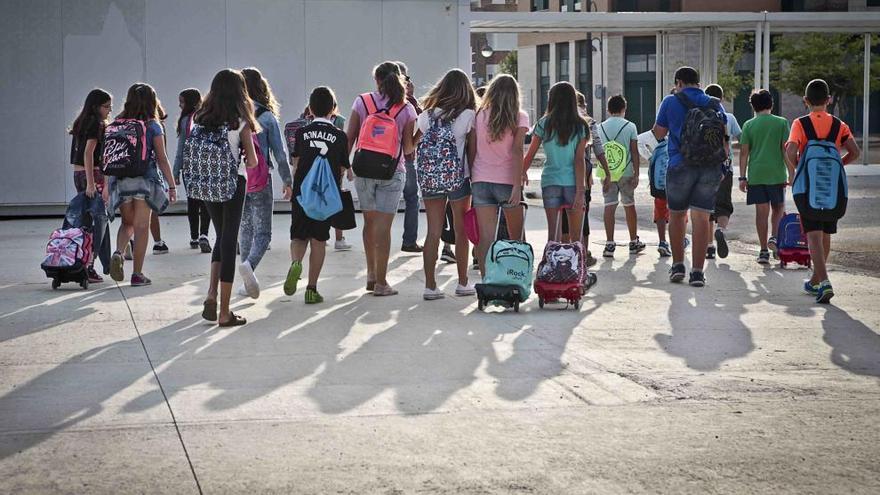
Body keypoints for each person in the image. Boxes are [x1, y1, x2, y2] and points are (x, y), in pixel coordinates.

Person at [784, 78, 860, 304]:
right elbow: (854, 152)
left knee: (813, 235)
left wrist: (799, 167)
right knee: (825, 234)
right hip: (832, 189)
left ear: (805, 101)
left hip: (808, 189)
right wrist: (839, 165)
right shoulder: (839, 125)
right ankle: (816, 280)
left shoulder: (800, 123)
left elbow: (790, 151)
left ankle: (824, 281)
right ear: (828, 100)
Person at [193, 69, 259, 326]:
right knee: (230, 241)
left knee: (220, 236)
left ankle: (211, 294)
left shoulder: (199, 119)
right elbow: (252, 161)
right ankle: (224, 311)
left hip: (207, 184)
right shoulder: (239, 120)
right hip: (233, 183)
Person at [652, 66, 728, 287]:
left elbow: (659, 133)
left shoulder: (670, 101)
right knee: (702, 218)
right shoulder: (714, 103)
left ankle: (677, 266)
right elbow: (723, 135)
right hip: (710, 166)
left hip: (679, 165)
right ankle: (697, 272)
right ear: (698, 82)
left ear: (679, 82)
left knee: (676, 216)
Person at [347, 61, 417, 296]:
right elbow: (408, 150)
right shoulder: (405, 108)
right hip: (391, 171)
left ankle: (370, 274)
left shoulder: (362, 101)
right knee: (384, 228)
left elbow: (350, 137)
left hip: (364, 170)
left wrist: (345, 167)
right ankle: (381, 282)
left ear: (376, 80)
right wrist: (418, 137)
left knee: (369, 223)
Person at [415, 68, 477, 300]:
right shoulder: (469, 115)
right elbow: (472, 152)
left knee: (432, 232)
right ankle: (462, 283)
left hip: (431, 178)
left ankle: (430, 286)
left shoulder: (425, 115)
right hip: (458, 179)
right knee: (461, 231)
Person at [284, 86, 350, 303]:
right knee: (319, 241)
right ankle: (311, 289)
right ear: (333, 109)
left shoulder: (302, 133)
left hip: (303, 192)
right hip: (324, 196)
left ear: (310, 109)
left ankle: (296, 263)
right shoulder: (340, 136)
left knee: (298, 235)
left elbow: (296, 163)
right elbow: (342, 168)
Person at [107, 83, 177, 286]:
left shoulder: (117, 123)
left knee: (126, 223)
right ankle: (137, 274)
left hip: (120, 182)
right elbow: (162, 159)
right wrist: (171, 186)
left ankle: (119, 252)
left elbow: (108, 157)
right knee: (141, 227)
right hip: (145, 182)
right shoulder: (153, 125)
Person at [236, 67, 294, 299]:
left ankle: (244, 280)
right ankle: (249, 266)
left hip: (239, 179)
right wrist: (288, 181)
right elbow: (279, 154)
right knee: (263, 233)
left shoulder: (233, 115)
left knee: (245, 228)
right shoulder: (267, 117)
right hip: (260, 178)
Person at [469, 74, 529, 276]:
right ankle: (516, 277)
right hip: (506, 181)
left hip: (480, 180)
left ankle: (488, 279)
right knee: (516, 236)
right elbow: (517, 150)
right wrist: (517, 184)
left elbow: (472, 147)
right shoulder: (520, 117)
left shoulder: (479, 115)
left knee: (485, 237)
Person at [523, 81, 590, 247]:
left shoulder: (544, 123)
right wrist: (581, 190)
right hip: (573, 183)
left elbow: (530, 154)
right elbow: (579, 160)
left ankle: (552, 269)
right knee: (576, 237)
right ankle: (577, 270)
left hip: (550, 181)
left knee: (553, 234)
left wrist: (521, 173)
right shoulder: (581, 126)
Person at [560, 91, 611, 267]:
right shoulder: (588, 122)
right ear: (582, 104)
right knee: (582, 214)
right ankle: (582, 256)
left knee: (564, 217)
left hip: (559, 173)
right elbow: (597, 148)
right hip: (582, 172)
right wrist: (607, 171)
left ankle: (564, 254)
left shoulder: (559, 120)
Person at [738, 89, 790, 264]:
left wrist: (742, 177)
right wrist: (792, 173)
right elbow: (785, 150)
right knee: (779, 208)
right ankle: (774, 238)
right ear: (772, 104)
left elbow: (744, 153)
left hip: (756, 174)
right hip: (776, 173)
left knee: (761, 213)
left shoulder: (748, 125)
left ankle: (762, 251)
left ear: (753, 106)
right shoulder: (782, 123)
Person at [69, 88, 113, 283]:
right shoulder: (96, 124)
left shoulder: (81, 122)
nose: (109, 110)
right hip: (91, 174)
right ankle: (89, 265)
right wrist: (91, 183)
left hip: (78, 174)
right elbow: (89, 153)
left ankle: (85, 263)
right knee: (97, 222)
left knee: (87, 220)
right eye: (106, 106)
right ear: (96, 107)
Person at [599, 95, 644, 257]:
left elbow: (598, 152)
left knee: (609, 206)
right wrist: (637, 173)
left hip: (607, 173)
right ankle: (633, 242)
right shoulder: (630, 126)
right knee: (629, 205)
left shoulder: (600, 127)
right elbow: (634, 151)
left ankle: (610, 243)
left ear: (608, 109)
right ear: (624, 109)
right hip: (626, 171)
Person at [704, 84, 741, 260]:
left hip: (705, 168)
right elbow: (741, 139)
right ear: (722, 98)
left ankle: (709, 246)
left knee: (706, 206)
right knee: (724, 204)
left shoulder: (700, 116)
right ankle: (721, 230)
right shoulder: (730, 118)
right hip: (726, 167)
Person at [172, 88, 212, 254]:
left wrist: (175, 172)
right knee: (206, 202)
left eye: (181, 102)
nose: (180, 106)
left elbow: (181, 149)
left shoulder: (185, 121)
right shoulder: (208, 117)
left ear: (188, 102)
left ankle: (194, 237)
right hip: (207, 166)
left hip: (189, 168)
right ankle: (204, 234)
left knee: (193, 202)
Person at [396, 61, 424, 254]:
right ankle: (409, 241)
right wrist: (412, 97)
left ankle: (376, 241)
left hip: (383, 157)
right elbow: (424, 121)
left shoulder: (376, 100)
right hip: (406, 156)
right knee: (412, 198)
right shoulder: (407, 103)